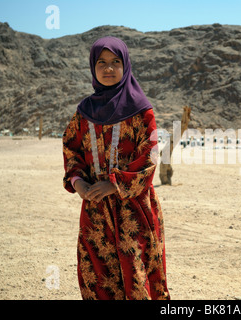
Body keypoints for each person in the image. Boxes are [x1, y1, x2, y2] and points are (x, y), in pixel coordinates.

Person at [62, 36, 170, 300]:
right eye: (101, 62)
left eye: (115, 62)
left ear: (126, 66)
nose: (108, 69)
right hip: (95, 209)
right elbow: (71, 147)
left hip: (133, 209)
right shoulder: (84, 111)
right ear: (93, 67)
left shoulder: (141, 110)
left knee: (137, 276)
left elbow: (151, 154)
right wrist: (79, 183)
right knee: (99, 279)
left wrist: (115, 183)